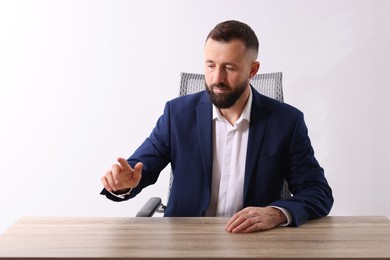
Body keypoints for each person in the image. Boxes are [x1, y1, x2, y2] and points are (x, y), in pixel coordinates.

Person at [101, 20, 333, 233]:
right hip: (186, 243)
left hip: (255, 244)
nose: (216, 78)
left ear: (252, 70)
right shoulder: (177, 115)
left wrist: (276, 213)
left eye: (229, 68)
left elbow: (318, 192)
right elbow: (139, 169)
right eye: (210, 65)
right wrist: (123, 184)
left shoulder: (286, 122)